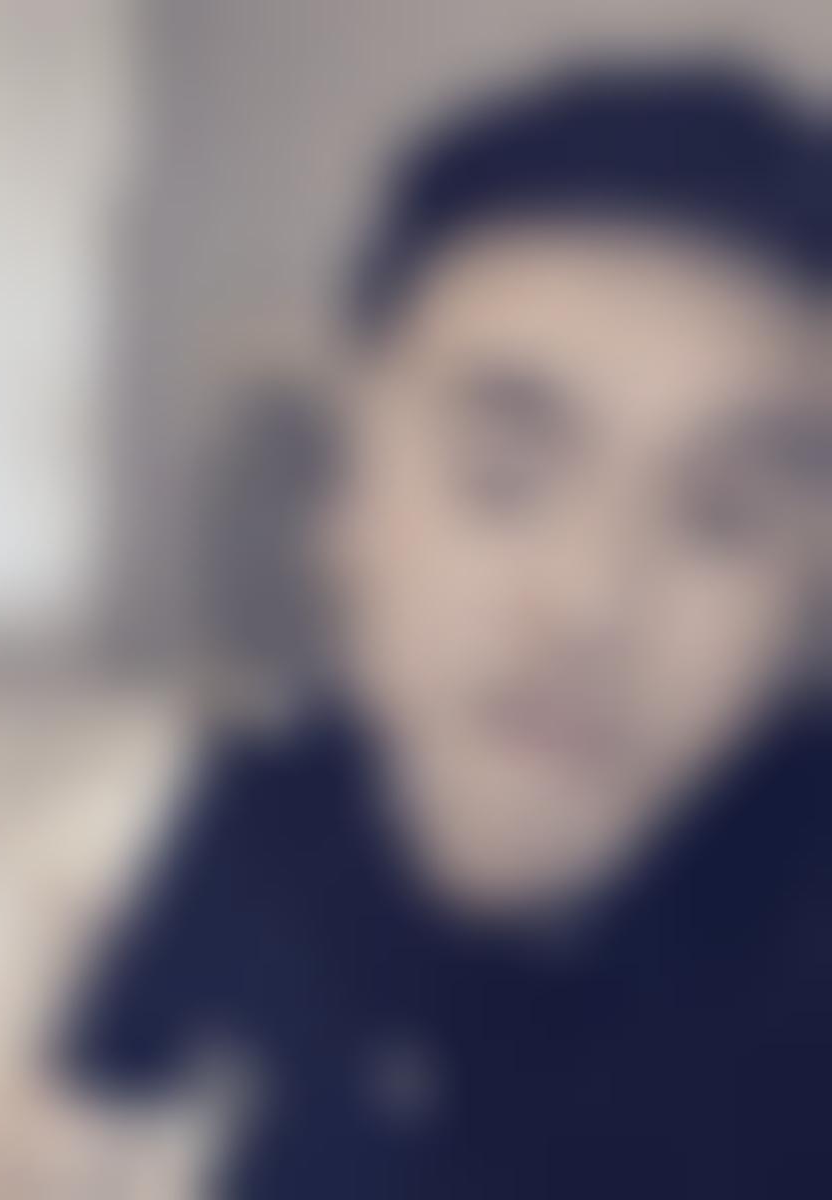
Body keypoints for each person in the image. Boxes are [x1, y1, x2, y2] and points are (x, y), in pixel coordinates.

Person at [65, 64, 831, 1198]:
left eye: (722, 518)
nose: (587, 604)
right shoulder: (255, 811)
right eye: (500, 478)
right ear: (342, 503)